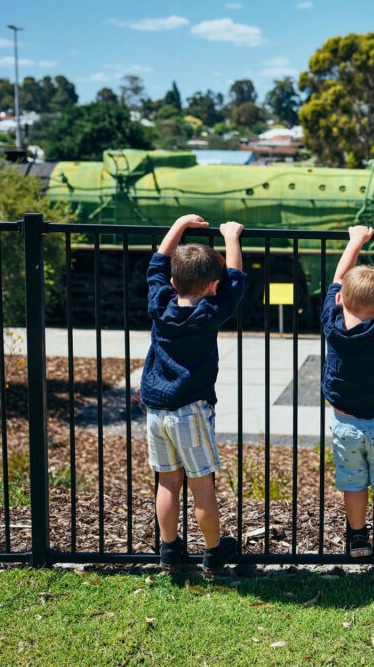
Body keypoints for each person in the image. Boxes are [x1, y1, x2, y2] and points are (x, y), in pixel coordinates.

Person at [141, 214, 245, 575]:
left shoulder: (159, 304)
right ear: (213, 287)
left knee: (167, 480)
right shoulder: (212, 310)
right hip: (191, 410)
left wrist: (179, 226)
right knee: (202, 482)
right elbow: (235, 280)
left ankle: (169, 550)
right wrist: (231, 237)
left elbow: (156, 263)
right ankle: (214, 552)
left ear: (173, 282)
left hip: (156, 408)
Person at [321, 226, 374, 559]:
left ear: (340, 299)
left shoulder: (331, 322)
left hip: (345, 423)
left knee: (353, 484)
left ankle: (358, 538)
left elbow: (337, 279)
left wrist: (355, 241)